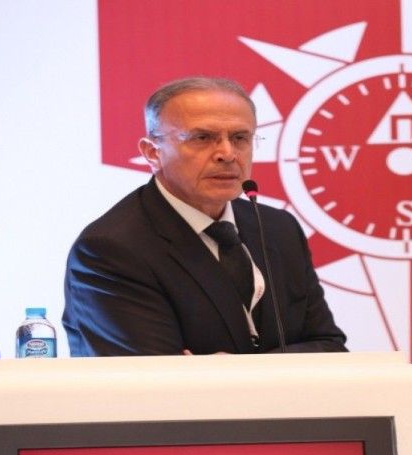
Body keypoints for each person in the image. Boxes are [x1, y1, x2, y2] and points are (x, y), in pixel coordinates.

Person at [62, 77, 347, 355]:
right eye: (202, 138)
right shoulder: (111, 249)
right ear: (152, 152)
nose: (227, 153)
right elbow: (152, 378)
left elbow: (329, 346)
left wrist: (227, 371)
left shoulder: (278, 228)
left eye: (240, 138)